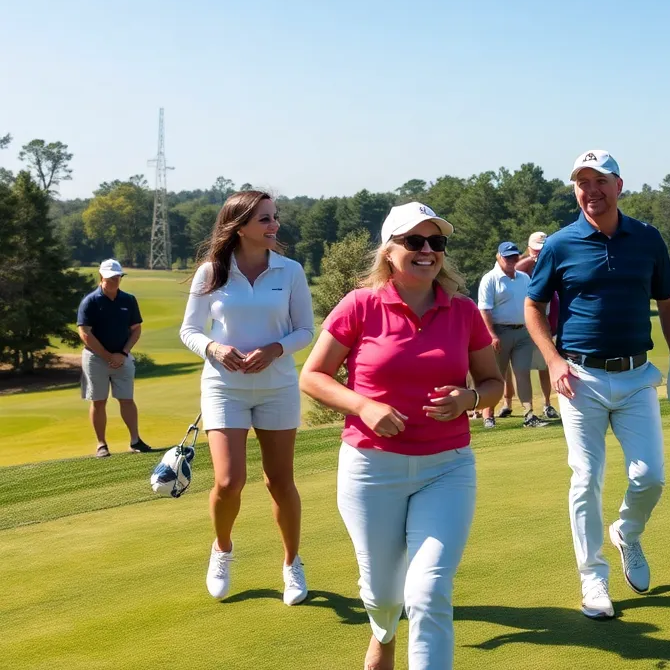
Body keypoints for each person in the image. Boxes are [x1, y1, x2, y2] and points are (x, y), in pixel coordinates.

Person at [300, 202, 503, 670]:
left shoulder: (465, 311)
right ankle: (383, 634)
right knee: (382, 593)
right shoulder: (361, 304)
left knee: (429, 590)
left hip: (447, 467)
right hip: (372, 468)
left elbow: (492, 384)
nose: (427, 250)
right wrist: (362, 405)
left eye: (436, 242)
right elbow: (312, 376)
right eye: (414, 241)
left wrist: (468, 400)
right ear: (390, 251)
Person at [524, 149, 670, 620]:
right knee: (586, 478)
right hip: (579, 377)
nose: (591, 191)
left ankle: (628, 532)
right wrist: (553, 360)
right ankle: (593, 578)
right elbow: (533, 307)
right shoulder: (559, 244)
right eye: (582, 183)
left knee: (650, 475)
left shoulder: (648, 239)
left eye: (600, 181)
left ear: (619, 186)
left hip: (638, 376)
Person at [180, 190, 315, 604]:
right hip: (224, 387)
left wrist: (275, 349)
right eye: (264, 220)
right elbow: (190, 331)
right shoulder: (210, 273)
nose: (274, 226)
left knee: (280, 481)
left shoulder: (290, 271)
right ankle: (222, 548)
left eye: (274, 218)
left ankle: (292, 564)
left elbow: (305, 330)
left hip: (277, 387)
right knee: (228, 480)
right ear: (239, 227)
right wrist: (214, 349)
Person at [77, 259, 152, 458]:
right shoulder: (90, 301)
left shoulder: (128, 300)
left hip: (122, 357)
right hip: (95, 359)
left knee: (127, 399)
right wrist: (108, 356)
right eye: (110, 277)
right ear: (101, 277)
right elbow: (85, 333)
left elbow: (136, 329)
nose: (114, 281)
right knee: (98, 401)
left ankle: (135, 440)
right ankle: (101, 444)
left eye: (117, 277)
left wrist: (123, 353)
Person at [478, 241, 548, 428]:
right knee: (495, 376)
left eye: (514, 256)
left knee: (522, 373)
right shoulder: (490, 279)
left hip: (523, 332)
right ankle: (488, 415)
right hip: (499, 333)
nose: (511, 260)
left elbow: (532, 305)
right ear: (499, 257)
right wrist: (492, 334)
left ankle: (529, 415)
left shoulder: (524, 278)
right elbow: (485, 310)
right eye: (507, 257)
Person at [516, 231, 560, 419]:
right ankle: (528, 410)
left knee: (545, 365)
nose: (539, 253)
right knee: (523, 368)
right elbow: (516, 269)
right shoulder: (523, 267)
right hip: (530, 323)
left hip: (551, 320)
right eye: (536, 250)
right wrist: (530, 260)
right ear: (529, 249)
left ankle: (548, 404)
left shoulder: (553, 258)